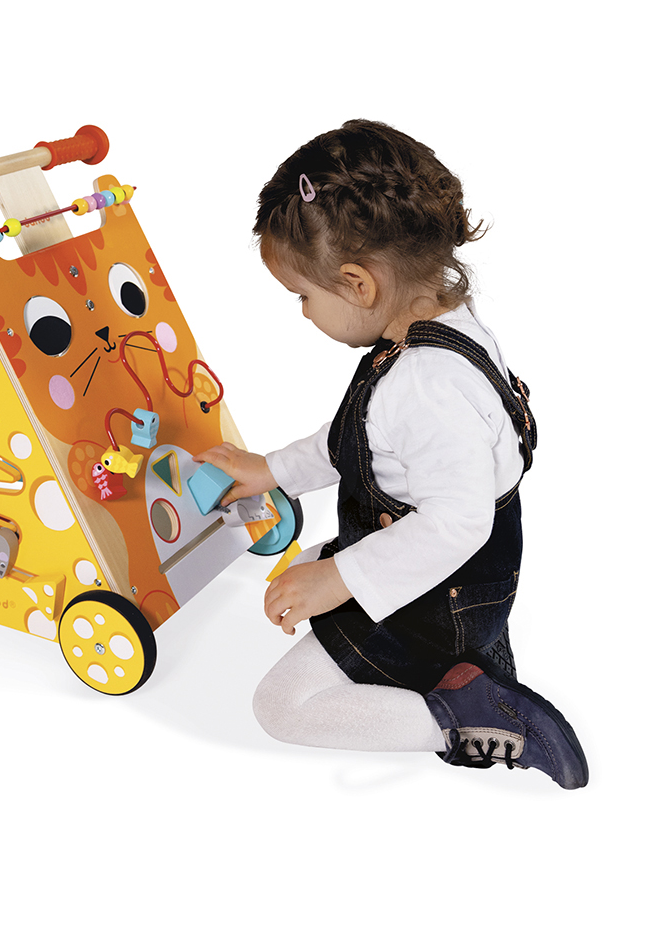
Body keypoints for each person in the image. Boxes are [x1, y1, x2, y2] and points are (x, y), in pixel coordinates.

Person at [195, 120, 588, 789]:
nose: (303, 311)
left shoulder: (426, 385)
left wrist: (340, 578)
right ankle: (468, 668)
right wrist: (273, 470)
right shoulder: (437, 331)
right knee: (304, 566)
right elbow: (362, 437)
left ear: (358, 284)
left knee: (280, 707)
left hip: (444, 592)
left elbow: (457, 524)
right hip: (463, 577)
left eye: (303, 296)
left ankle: (463, 718)